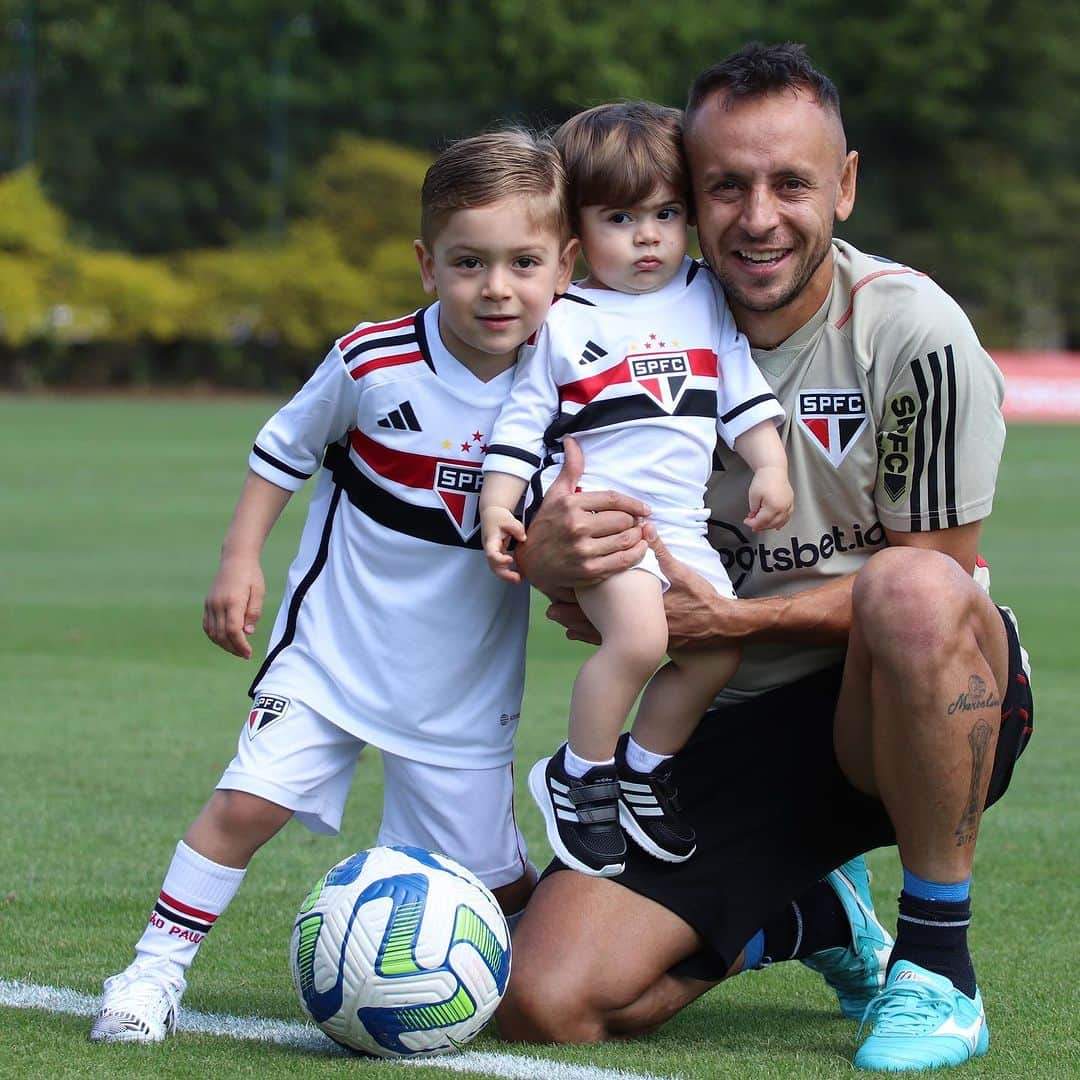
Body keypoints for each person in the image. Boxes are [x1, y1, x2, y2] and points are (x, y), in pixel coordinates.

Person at [497, 42, 1033, 1075]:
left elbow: (943, 580)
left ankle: (937, 963)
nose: (757, 217)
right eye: (725, 186)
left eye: (790, 182)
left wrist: (738, 623)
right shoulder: (599, 323)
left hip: (885, 710)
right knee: (546, 1002)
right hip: (713, 719)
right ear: (685, 197)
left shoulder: (909, 329)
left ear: (844, 184)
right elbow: (565, 572)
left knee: (915, 592)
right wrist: (551, 549)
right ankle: (810, 917)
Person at [89, 129, 578, 1044]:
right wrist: (242, 557)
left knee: (500, 882)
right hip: (333, 651)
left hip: (461, 687)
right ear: (427, 264)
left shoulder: (568, 387)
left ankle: (606, 947)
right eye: (469, 262)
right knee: (244, 804)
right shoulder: (371, 359)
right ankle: (151, 973)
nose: (497, 287)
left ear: (566, 266)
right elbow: (284, 448)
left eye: (524, 262)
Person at [479, 101, 790, 878]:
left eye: (665, 213)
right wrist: (497, 504)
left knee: (721, 648)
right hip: (602, 519)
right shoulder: (562, 316)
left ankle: (644, 767)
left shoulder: (703, 294)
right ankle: (579, 775)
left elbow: (738, 389)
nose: (647, 235)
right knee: (643, 641)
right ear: (577, 239)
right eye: (621, 217)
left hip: (680, 524)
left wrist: (772, 465)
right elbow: (523, 421)